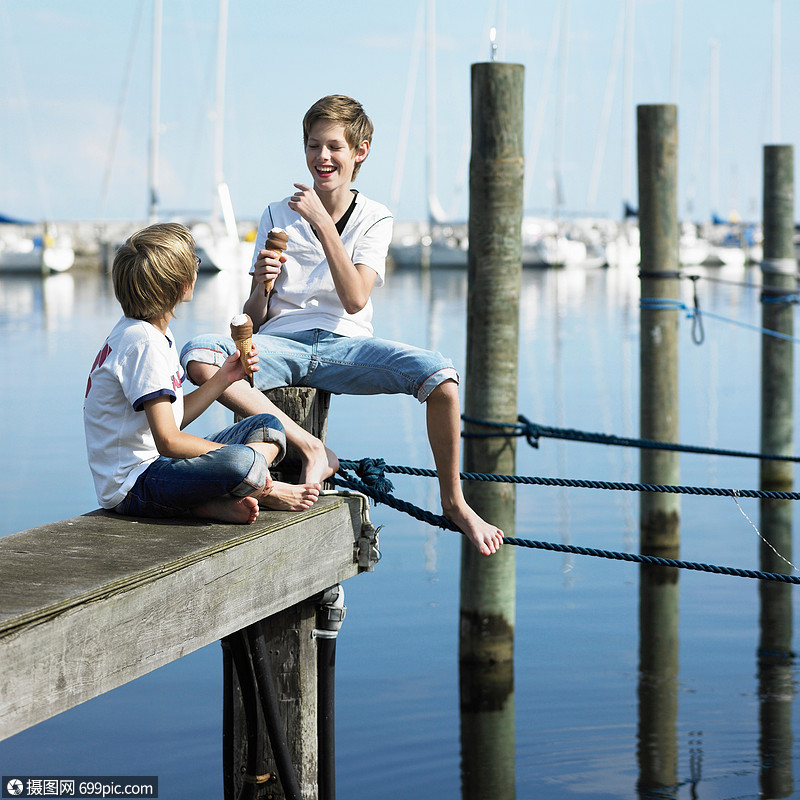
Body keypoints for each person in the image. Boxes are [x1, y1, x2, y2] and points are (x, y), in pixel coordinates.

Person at [180, 95, 503, 555]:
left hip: (346, 347)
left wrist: (322, 223)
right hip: (280, 345)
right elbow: (254, 318)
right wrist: (261, 286)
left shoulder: (375, 217)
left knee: (442, 378)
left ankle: (454, 502)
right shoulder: (275, 213)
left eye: (334, 146)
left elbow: (355, 299)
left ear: (360, 151)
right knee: (198, 354)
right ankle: (312, 448)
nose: (322, 157)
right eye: (313, 145)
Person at [83, 222, 321, 525]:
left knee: (268, 426)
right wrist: (235, 460)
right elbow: (168, 441)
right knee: (243, 460)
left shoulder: (148, 334)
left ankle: (216, 499)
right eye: (194, 263)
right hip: (133, 486)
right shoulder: (143, 344)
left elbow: (173, 421)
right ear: (182, 284)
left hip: (158, 467)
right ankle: (259, 490)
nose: (197, 268)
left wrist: (225, 377)